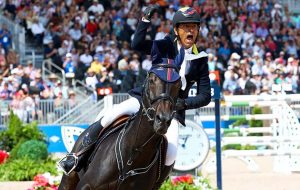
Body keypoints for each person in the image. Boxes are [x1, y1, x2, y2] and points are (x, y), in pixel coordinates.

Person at [58, 6, 211, 181]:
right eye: (185, 26)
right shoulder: (163, 46)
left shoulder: (200, 59)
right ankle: (77, 156)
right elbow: (137, 44)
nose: (190, 30)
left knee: (171, 152)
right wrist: (145, 21)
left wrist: (183, 104)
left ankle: (156, 183)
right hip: (144, 100)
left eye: (194, 26)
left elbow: (205, 95)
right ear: (176, 30)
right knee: (111, 114)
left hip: (172, 111)